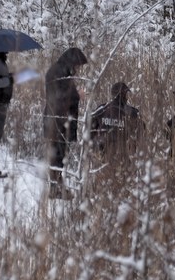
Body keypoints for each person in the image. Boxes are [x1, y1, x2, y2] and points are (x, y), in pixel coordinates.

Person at [43, 47, 88, 199]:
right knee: (58, 156)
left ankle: (56, 188)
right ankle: (55, 190)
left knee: (58, 156)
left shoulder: (59, 71)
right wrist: (77, 94)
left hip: (57, 121)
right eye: (77, 66)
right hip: (58, 122)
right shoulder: (58, 73)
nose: (77, 69)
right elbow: (59, 97)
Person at [89, 81, 144, 162]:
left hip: (103, 159)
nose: (126, 97)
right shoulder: (132, 112)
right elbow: (142, 132)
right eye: (125, 94)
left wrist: (95, 150)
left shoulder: (101, 110)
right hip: (124, 159)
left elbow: (90, 132)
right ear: (121, 94)